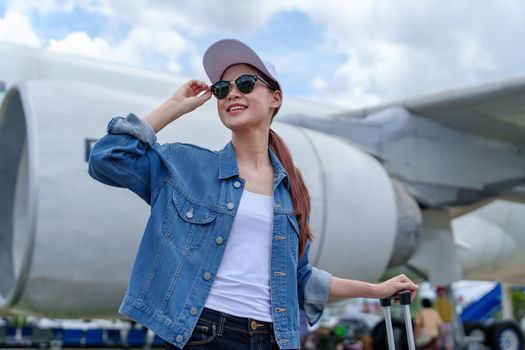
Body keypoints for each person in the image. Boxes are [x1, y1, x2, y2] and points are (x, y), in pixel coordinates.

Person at [88, 38, 418, 350]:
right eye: (222, 88)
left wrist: (376, 290)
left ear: (275, 97)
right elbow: (108, 157)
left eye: (245, 84)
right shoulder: (186, 166)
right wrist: (175, 106)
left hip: (273, 337)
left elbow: (300, 277)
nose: (232, 93)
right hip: (204, 333)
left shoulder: (291, 189)